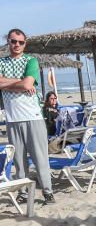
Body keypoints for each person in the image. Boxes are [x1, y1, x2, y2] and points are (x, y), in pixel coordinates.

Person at [0, 28, 55, 204]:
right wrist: (21, 83)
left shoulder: (30, 61)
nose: (16, 44)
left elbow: (28, 84)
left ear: (25, 43)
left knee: (40, 157)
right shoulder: (1, 62)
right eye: (13, 41)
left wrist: (8, 83)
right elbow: (23, 84)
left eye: (20, 42)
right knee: (19, 161)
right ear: (8, 41)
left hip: (33, 117)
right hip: (12, 118)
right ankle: (23, 193)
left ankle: (48, 192)